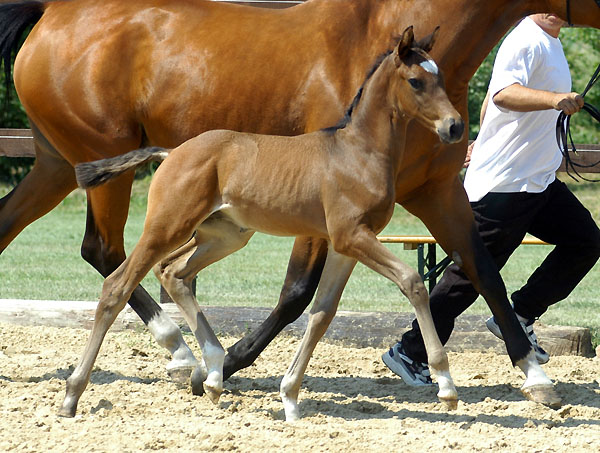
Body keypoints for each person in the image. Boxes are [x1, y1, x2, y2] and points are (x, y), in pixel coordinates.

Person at [382, 13, 600, 386]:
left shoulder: (551, 42)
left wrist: (481, 139)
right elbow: (503, 93)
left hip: (539, 180)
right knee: (469, 276)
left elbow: (488, 100)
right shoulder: (525, 39)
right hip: (505, 186)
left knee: (586, 241)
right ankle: (411, 351)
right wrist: (554, 100)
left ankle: (521, 313)